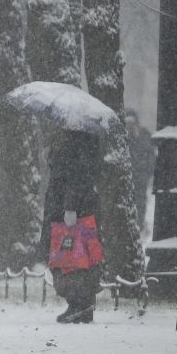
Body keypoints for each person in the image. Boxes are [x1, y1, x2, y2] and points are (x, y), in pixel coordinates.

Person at [45, 127, 105, 324]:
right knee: (80, 258)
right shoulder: (82, 143)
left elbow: (75, 177)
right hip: (75, 209)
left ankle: (79, 304)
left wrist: (70, 207)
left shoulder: (75, 143)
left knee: (71, 260)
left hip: (71, 212)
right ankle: (82, 304)